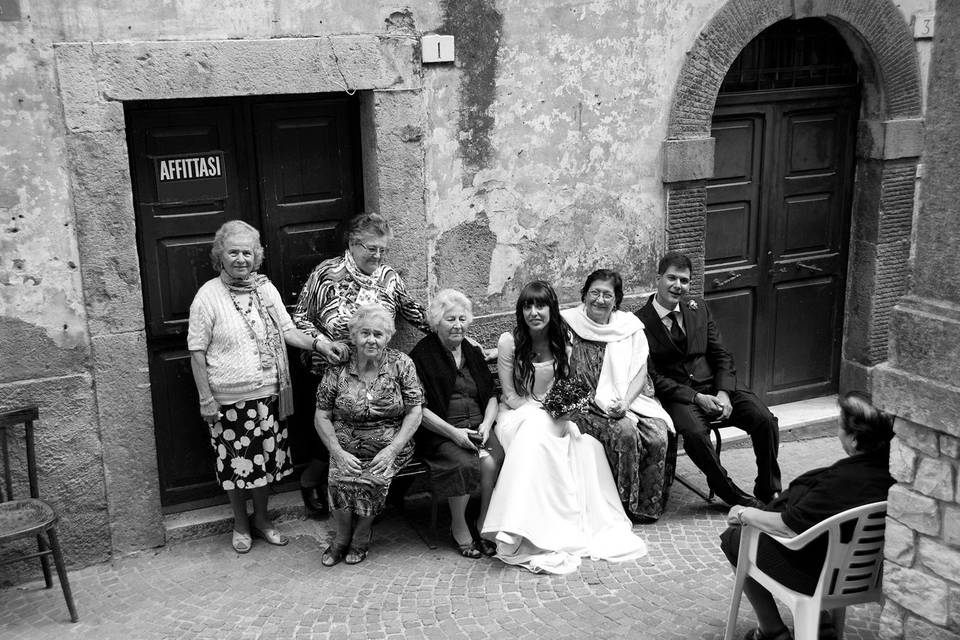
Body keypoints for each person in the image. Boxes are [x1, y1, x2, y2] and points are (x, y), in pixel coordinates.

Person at [481, 281, 648, 574]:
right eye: (527, 306)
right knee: (534, 432)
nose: (534, 312)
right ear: (521, 311)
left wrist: (561, 410)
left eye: (540, 306)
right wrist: (541, 412)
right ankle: (513, 527)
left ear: (551, 309)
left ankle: (542, 525)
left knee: (586, 447)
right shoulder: (509, 341)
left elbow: (565, 387)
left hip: (553, 416)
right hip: (516, 414)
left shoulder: (563, 340)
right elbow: (509, 394)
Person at [188, 220, 322, 553]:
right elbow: (196, 351)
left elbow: (288, 331)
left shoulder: (265, 289)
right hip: (228, 400)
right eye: (233, 252)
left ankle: (262, 520)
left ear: (256, 256)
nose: (240, 259)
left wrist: (320, 346)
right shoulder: (207, 296)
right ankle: (240, 524)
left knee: (263, 463)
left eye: (247, 252)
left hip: (268, 394)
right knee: (236, 466)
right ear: (220, 255)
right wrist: (206, 398)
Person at [719, 391, 895, 640]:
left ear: (855, 439)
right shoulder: (895, 478)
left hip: (821, 578)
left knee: (734, 538)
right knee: (827, 538)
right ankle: (821, 622)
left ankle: (772, 631)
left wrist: (745, 513)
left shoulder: (840, 483)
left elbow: (788, 526)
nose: (838, 431)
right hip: (869, 576)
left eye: (840, 425)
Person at [292, 213, 431, 517]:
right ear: (353, 244)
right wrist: (324, 343)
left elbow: (413, 312)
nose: (378, 255)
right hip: (330, 368)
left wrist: (452, 332)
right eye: (371, 248)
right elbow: (299, 318)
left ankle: (369, 494)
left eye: (383, 249)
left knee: (375, 428)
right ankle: (312, 480)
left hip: (374, 369)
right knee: (331, 429)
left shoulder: (389, 277)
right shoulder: (326, 275)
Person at [637, 252, 781, 507]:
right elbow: (653, 377)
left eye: (684, 280)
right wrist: (696, 397)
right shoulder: (639, 322)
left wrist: (724, 392)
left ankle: (769, 489)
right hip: (679, 395)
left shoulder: (698, 308)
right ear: (658, 278)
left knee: (765, 420)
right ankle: (729, 491)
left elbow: (722, 355)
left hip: (715, 385)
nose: (677, 286)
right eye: (671, 278)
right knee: (694, 434)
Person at [313, 304, 423, 566]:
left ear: (388, 337)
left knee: (373, 476)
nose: (371, 340)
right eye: (365, 333)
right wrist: (337, 452)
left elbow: (415, 411)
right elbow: (321, 415)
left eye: (378, 334)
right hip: (345, 442)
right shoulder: (338, 367)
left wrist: (393, 449)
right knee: (339, 475)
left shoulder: (401, 364)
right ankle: (341, 538)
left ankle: (361, 535)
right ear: (354, 336)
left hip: (390, 442)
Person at [560, 269, 674, 522]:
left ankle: (645, 507)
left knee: (657, 435)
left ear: (616, 299)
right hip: (583, 403)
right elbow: (532, 339)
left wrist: (626, 402)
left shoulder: (629, 327)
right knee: (624, 432)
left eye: (607, 295)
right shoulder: (567, 323)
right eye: (594, 293)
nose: (600, 300)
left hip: (626, 399)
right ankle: (619, 506)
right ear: (585, 295)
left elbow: (640, 372)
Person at [409, 289, 503, 558]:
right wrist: (454, 433)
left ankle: (483, 521)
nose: (458, 325)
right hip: (441, 431)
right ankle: (459, 525)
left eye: (462, 318)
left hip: (478, 426)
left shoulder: (472, 351)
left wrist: (486, 425)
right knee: (464, 463)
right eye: (450, 319)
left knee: (495, 459)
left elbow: (492, 397)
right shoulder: (422, 355)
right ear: (436, 322)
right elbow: (420, 410)